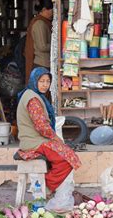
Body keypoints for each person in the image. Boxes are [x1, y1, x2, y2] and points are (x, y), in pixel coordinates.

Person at [17, 67, 81, 195]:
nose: (45, 85)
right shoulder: (33, 99)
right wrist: (56, 138)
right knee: (67, 158)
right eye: (41, 81)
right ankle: (46, 187)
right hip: (34, 142)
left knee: (65, 153)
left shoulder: (32, 95)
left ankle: (46, 186)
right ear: (34, 81)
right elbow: (42, 126)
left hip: (36, 140)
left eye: (47, 81)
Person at [25, 0, 53, 83]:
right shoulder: (39, 24)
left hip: (44, 63)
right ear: (44, 9)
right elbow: (42, 46)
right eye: (51, 11)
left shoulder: (44, 22)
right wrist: (57, 47)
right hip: (42, 63)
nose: (52, 13)